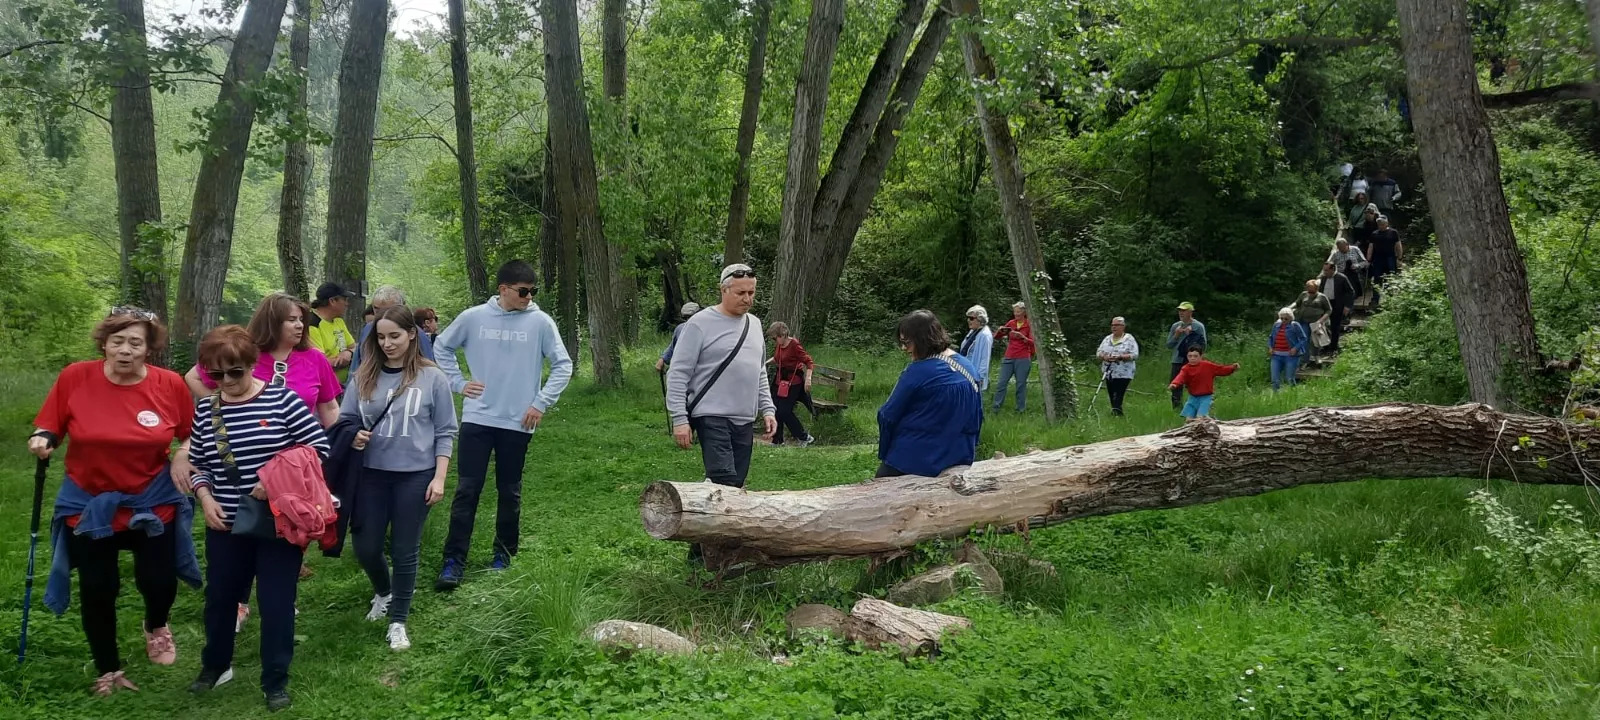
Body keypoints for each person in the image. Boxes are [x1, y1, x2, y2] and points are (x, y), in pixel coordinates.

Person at [29, 307, 201, 696]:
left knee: (158, 581)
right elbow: (51, 423)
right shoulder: (76, 377)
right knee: (98, 586)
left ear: (149, 349)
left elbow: (193, 433)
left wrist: (183, 452)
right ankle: (108, 667)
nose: (125, 350)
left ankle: (156, 625)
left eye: (135, 342)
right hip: (90, 502)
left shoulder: (170, 384)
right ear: (104, 344)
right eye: (117, 341)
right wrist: (43, 439)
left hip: (151, 499)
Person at [184, 325, 330, 713]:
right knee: (220, 600)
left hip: (278, 524)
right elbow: (197, 462)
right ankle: (215, 666)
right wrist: (204, 497)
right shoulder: (206, 410)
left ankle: (275, 680)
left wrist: (274, 479)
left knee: (276, 602)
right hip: (226, 524)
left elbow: (318, 449)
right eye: (216, 374)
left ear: (251, 365)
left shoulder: (283, 402)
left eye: (235, 371)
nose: (227, 381)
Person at [434, 261, 572, 589]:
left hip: (517, 421)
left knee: (509, 491)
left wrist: (540, 403)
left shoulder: (540, 322)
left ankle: (504, 554)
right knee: (467, 489)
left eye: (532, 291)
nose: (528, 297)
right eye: (523, 291)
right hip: (478, 418)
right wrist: (457, 382)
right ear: (503, 289)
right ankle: (453, 561)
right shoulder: (473, 318)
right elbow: (442, 346)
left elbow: (563, 365)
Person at [341, 306, 457, 651]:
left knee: (407, 550)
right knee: (366, 546)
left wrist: (439, 477)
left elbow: (446, 430)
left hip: (415, 475)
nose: (388, 343)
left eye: (395, 335)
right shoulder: (364, 375)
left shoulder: (432, 377)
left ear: (411, 334)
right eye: (380, 337)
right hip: (370, 474)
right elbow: (345, 420)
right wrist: (354, 436)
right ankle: (385, 591)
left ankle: (398, 621)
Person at [665, 263, 778, 491]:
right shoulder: (699, 324)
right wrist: (679, 419)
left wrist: (768, 409)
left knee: (735, 485)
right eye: (740, 293)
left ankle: (715, 519)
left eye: (751, 293)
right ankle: (706, 518)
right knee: (723, 481)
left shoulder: (754, 325)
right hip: (711, 415)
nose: (747, 299)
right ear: (723, 290)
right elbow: (678, 374)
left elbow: (759, 372)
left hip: (744, 419)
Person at [184, 293, 341, 428]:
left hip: (300, 451)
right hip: (249, 444)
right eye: (292, 320)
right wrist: (224, 406)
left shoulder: (315, 358)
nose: (300, 325)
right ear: (272, 323)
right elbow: (193, 377)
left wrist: (338, 443)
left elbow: (329, 407)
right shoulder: (243, 353)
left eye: (301, 319)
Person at [876, 310, 984, 478]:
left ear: (922, 339)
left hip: (913, 460)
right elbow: (977, 415)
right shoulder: (967, 366)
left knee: (878, 499)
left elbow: (887, 415)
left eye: (907, 342)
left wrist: (887, 452)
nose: (904, 348)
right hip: (957, 458)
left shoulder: (918, 371)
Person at [351, 287, 434, 373]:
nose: (382, 314)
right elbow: (356, 365)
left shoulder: (417, 334)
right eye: (376, 309)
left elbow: (428, 370)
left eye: (395, 336)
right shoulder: (367, 329)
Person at [767, 321, 815, 447]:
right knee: (776, 409)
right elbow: (777, 358)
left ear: (782, 335)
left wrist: (808, 379)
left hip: (793, 383)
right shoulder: (779, 345)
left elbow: (809, 362)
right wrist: (764, 364)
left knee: (785, 411)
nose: (774, 340)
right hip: (780, 381)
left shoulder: (794, 344)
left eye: (775, 337)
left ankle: (804, 437)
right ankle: (777, 440)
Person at [1168, 346, 1239, 421]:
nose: (1192, 358)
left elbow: (1221, 369)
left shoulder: (1207, 366)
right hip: (1192, 397)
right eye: (1190, 356)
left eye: (1195, 356)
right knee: (1189, 420)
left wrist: (1232, 368)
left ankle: (1212, 423)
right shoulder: (1186, 368)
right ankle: (1205, 423)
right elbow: (1180, 377)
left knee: (1201, 418)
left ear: (1201, 356)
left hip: (1205, 397)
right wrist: (1175, 383)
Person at [307, 283, 358, 382]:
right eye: (345, 300)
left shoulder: (338, 321)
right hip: (326, 388)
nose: (347, 304)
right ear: (332, 301)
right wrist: (346, 360)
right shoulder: (313, 324)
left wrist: (349, 353)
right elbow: (319, 363)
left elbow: (354, 346)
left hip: (345, 384)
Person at [991, 302, 1036, 412]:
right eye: (1015, 312)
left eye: (1019, 312)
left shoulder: (1029, 324)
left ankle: (1020, 409)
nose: (1016, 314)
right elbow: (997, 337)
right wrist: (1000, 331)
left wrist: (1022, 337)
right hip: (1009, 356)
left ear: (1024, 312)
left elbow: (1034, 342)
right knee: (1001, 383)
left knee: (1020, 384)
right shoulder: (1011, 323)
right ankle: (996, 408)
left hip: (1023, 357)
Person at [1165, 302, 1208, 410]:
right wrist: (1176, 335)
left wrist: (1191, 335)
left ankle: (1195, 407)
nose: (1181, 313)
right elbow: (1169, 345)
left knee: (1194, 385)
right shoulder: (1175, 326)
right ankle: (1177, 409)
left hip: (1192, 361)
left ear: (1190, 312)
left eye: (1184, 311)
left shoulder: (1198, 326)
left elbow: (1203, 345)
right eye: (1180, 310)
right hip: (1177, 360)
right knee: (1175, 386)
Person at [1095, 316, 1139, 416]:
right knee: (1111, 393)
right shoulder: (1107, 338)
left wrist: (1120, 357)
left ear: (1123, 326)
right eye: (1112, 325)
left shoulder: (1129, 339)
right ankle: (1116, 412)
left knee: (1118, 394)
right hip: (1108, 372)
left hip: (1123, 372)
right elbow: (1098, 353)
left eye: (1117, 325)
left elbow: (1134, 354)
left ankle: (1116, 412)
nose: (1114, 327)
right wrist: (1104, 357)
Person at [1317, 262, 1356, 353]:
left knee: (1335, 326)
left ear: (1332, 269)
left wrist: (1347, 306)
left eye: (1326, 270)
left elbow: (1351, 292)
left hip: (1337, 304)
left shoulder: (1341, 278)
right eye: (1324, 270)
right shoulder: (1323, 278)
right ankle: (1325, 346)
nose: (1325, 272)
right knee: (1323, 326)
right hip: (1325, 304)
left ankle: (1333, 347)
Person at [1366, 215, 1404, 310]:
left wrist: (1399, 257)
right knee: (1377, 279)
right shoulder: (1374, 234)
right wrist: (1368, 259)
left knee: (1390, 278)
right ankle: (1375, 300)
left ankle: (1389, 299)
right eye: (1379, 224)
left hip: (1390, 258)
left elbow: (1398, 245)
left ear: (1386, 223)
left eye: (1382, 224)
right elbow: (1371, 246)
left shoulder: (1393, 233)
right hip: (1378, 259)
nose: (1380, 225)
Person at [1267, 308, 1308, 392]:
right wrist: (1270, 347)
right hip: (1276, 355)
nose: (1283, 320)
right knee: (1274, 379)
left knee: (1289, 378)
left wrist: (1295, 348)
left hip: (1291, 356)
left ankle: (1293, 395)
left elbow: (1303, 338)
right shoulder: (1276, 325)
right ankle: (1276, 396)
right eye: (1281, 318)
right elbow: (1271, 337)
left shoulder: (1295, 325)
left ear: (1290, 318)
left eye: (1286, 319)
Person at [1292, 280, 1332, 362]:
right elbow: (1297, 303)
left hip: (1316, 322)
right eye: (1308, 290)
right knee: (1304, 339)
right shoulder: (1303, 294)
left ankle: (1316, 355)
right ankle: (1305, 359)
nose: (1310, 293)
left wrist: (1321, 320)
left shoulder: (1322, 297)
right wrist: (1289, 308)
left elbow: (1329, 310)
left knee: (1315, 340)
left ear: (1316, 289)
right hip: (1303, 321)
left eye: (1312, 291)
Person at [655, 302, 702, 372]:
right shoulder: (680, 329)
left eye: (691, 317)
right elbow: (673, 347)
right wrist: (662, 359)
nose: (688, 319)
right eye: (685, 317)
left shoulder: (707, 329)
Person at [959, 305, 994, 391]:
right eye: (968, 318)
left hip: (974, 374)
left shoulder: (985, 335)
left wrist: (980, 378)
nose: (968, 320)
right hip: (965, 371)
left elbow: (985, 358)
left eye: (971, 318)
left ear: (980, 319)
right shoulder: (973, 331)